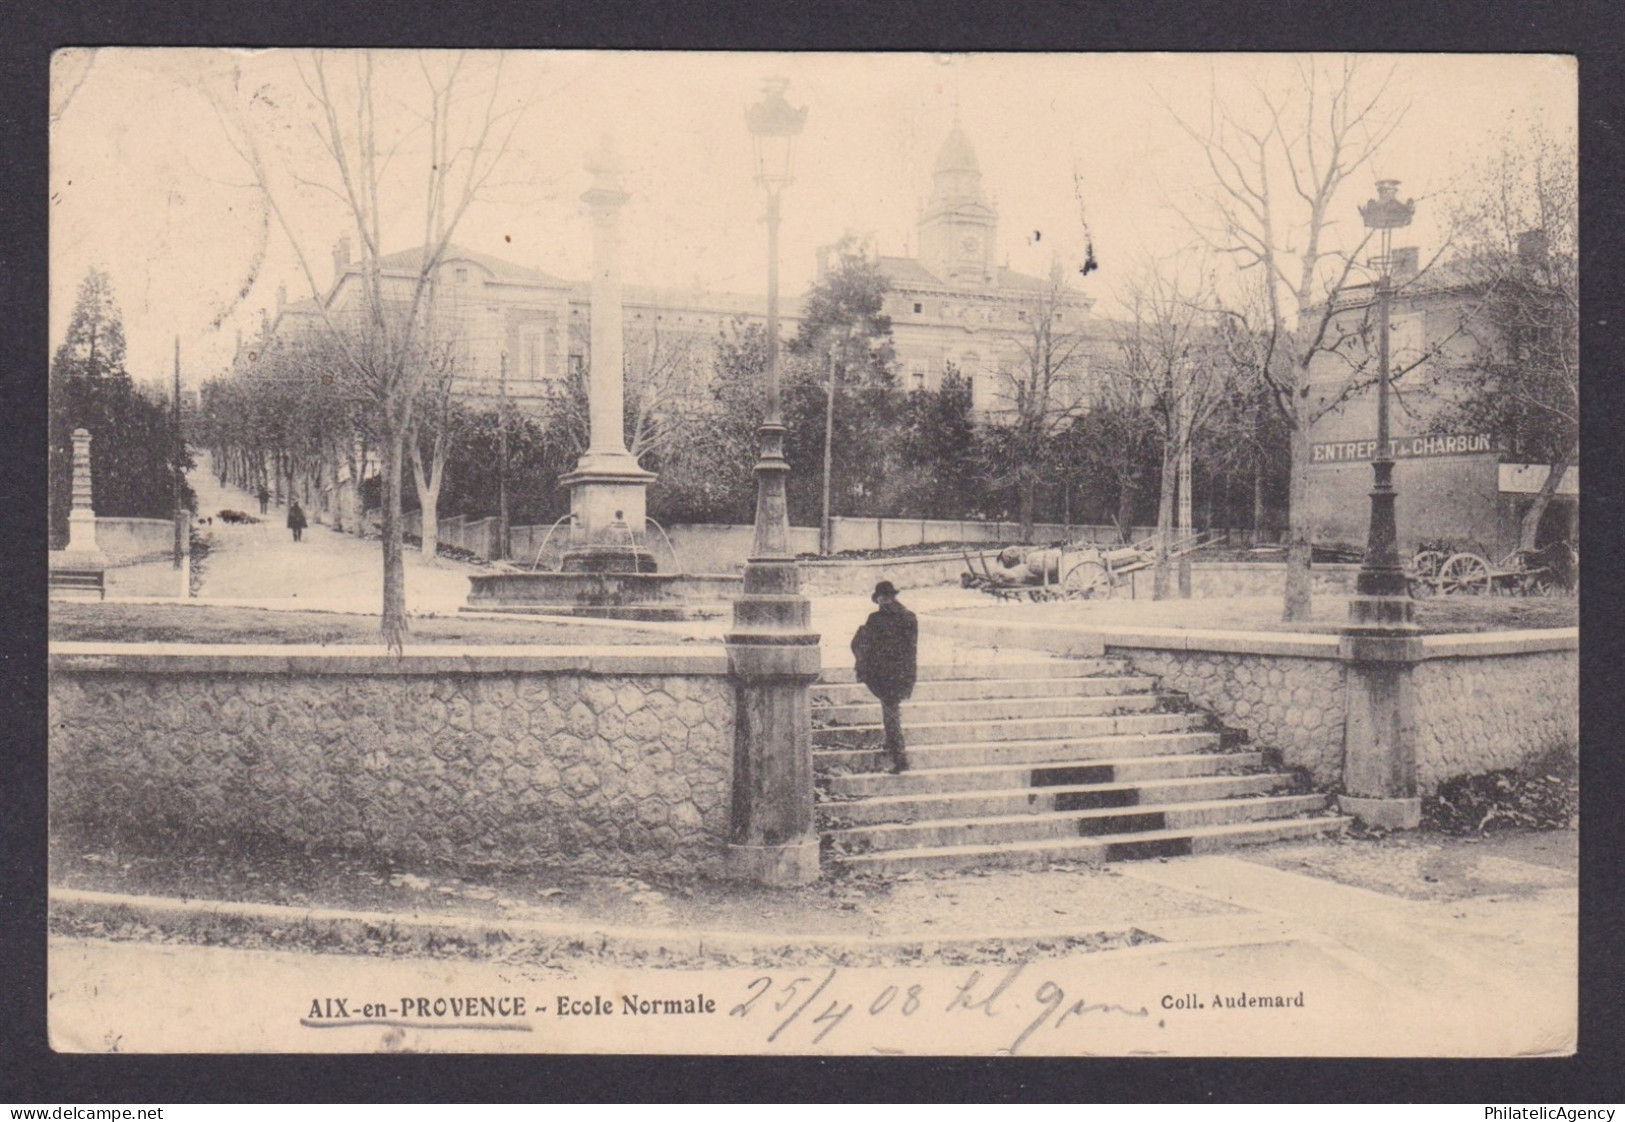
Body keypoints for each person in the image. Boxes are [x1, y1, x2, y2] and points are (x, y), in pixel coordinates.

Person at [851, 580, 918, 773]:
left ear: (881, 598)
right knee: (891, 710)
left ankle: (900, 759)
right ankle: (892, 744)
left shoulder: (876, 619)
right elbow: (910, 649)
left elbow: (865, 645)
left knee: (890, 714)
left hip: (883, 674)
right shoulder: (910, 617)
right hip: (904, 673)